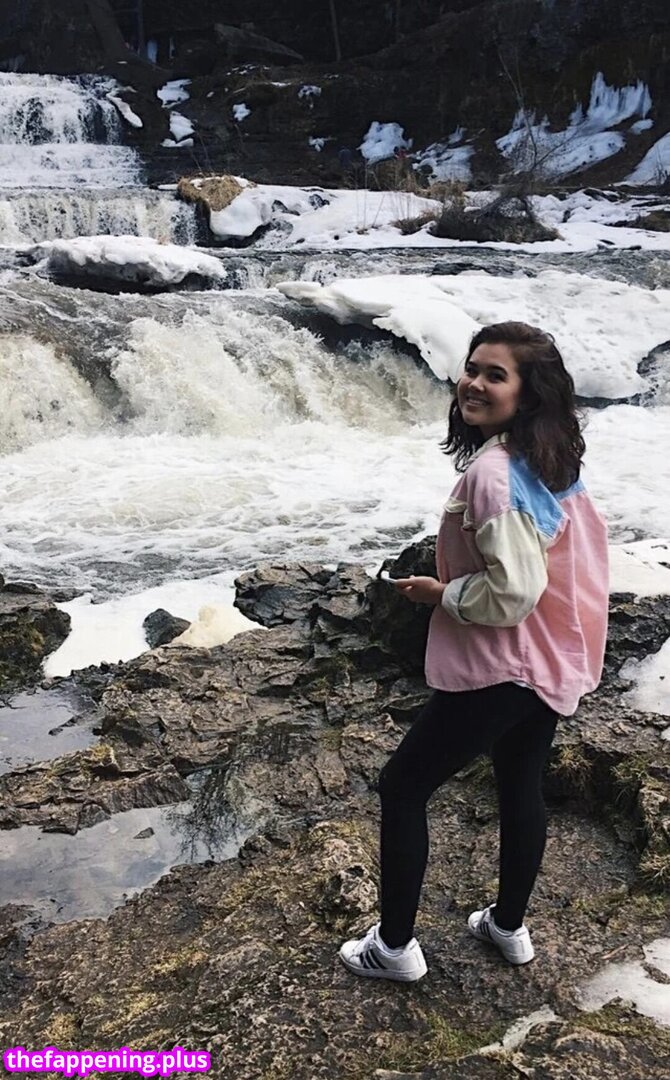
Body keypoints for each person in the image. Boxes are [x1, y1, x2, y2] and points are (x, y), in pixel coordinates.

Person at [339, 321, 609, 982]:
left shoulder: (493, 475)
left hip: (504, 664)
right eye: (472, 368)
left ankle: (393, 948)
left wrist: (442, 594)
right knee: (520, 782)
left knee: (403, 787)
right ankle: (507, 927)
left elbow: (513, 590)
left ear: (529, 392)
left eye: (495, 375)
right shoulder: (548, 458)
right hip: (550, 656)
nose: (474, 384)